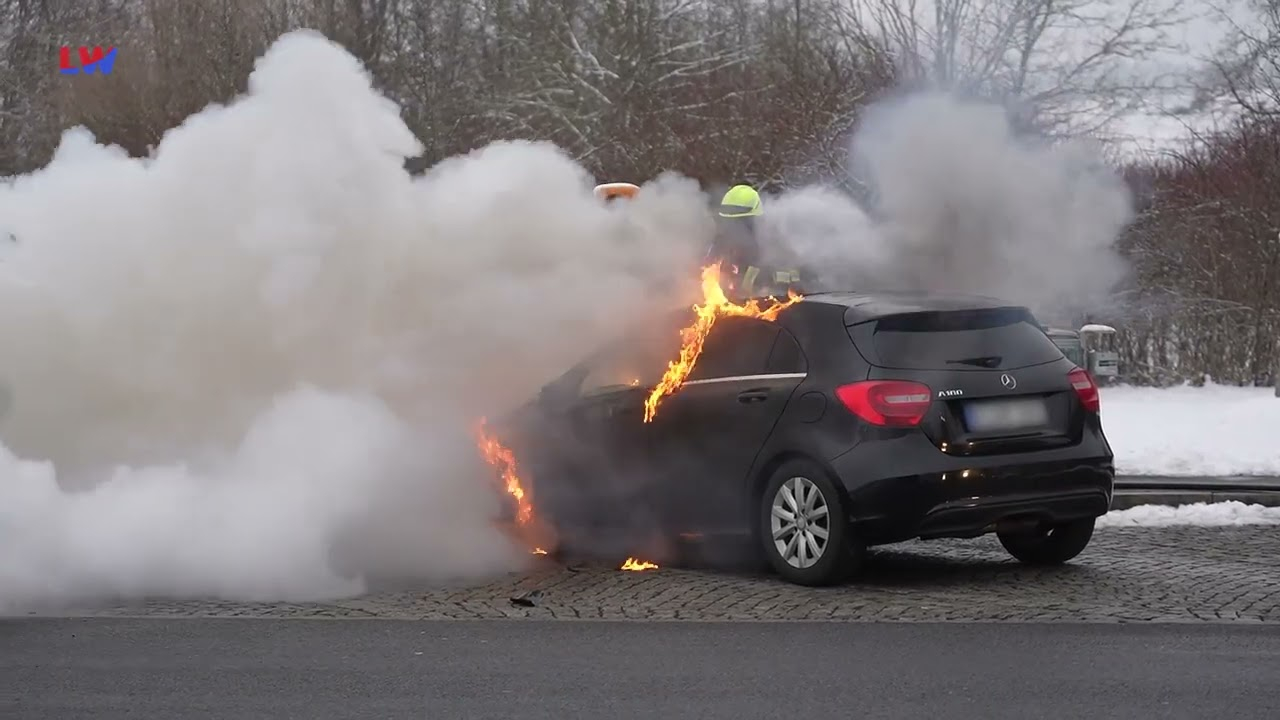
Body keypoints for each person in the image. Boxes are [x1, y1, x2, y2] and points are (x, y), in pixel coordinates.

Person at [706, 184, 801, 298]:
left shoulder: (773, 241)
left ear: (753, 219)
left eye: (740, 220)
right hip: (730, 305)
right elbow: (706, 267)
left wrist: (768, 278)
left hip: (767, 306)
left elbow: (796, 278)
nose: (734, 226)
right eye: (729, 220)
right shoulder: (721, 241)